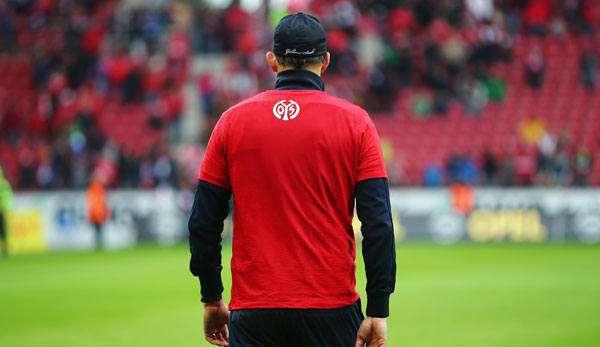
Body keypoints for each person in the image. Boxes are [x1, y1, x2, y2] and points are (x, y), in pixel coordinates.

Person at [188, 12, 396, 347]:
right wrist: (378, 308)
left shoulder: (231, 122)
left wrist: (211, 296)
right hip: (332, 307)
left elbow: (203, 221)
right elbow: (378, 223)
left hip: (255, 311)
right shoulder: (357, 123)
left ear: (272, 61)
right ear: (325, 61)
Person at [86, 176, 110, 249]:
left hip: (97, 213)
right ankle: (99, 244)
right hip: (97, 213)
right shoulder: (96, 189)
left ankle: (98, 244)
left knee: (98, 230)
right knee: (98, 229)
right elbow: (99, 202)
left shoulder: (94, 189)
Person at [0, 167, 14, 256]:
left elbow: (7, 196)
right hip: (3, 209)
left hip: (2, 210)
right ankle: (5, 248)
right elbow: (9, 196)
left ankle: (5, 248)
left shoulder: (3, 184)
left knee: (3, 230)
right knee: (3, 230)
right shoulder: (5, 183)